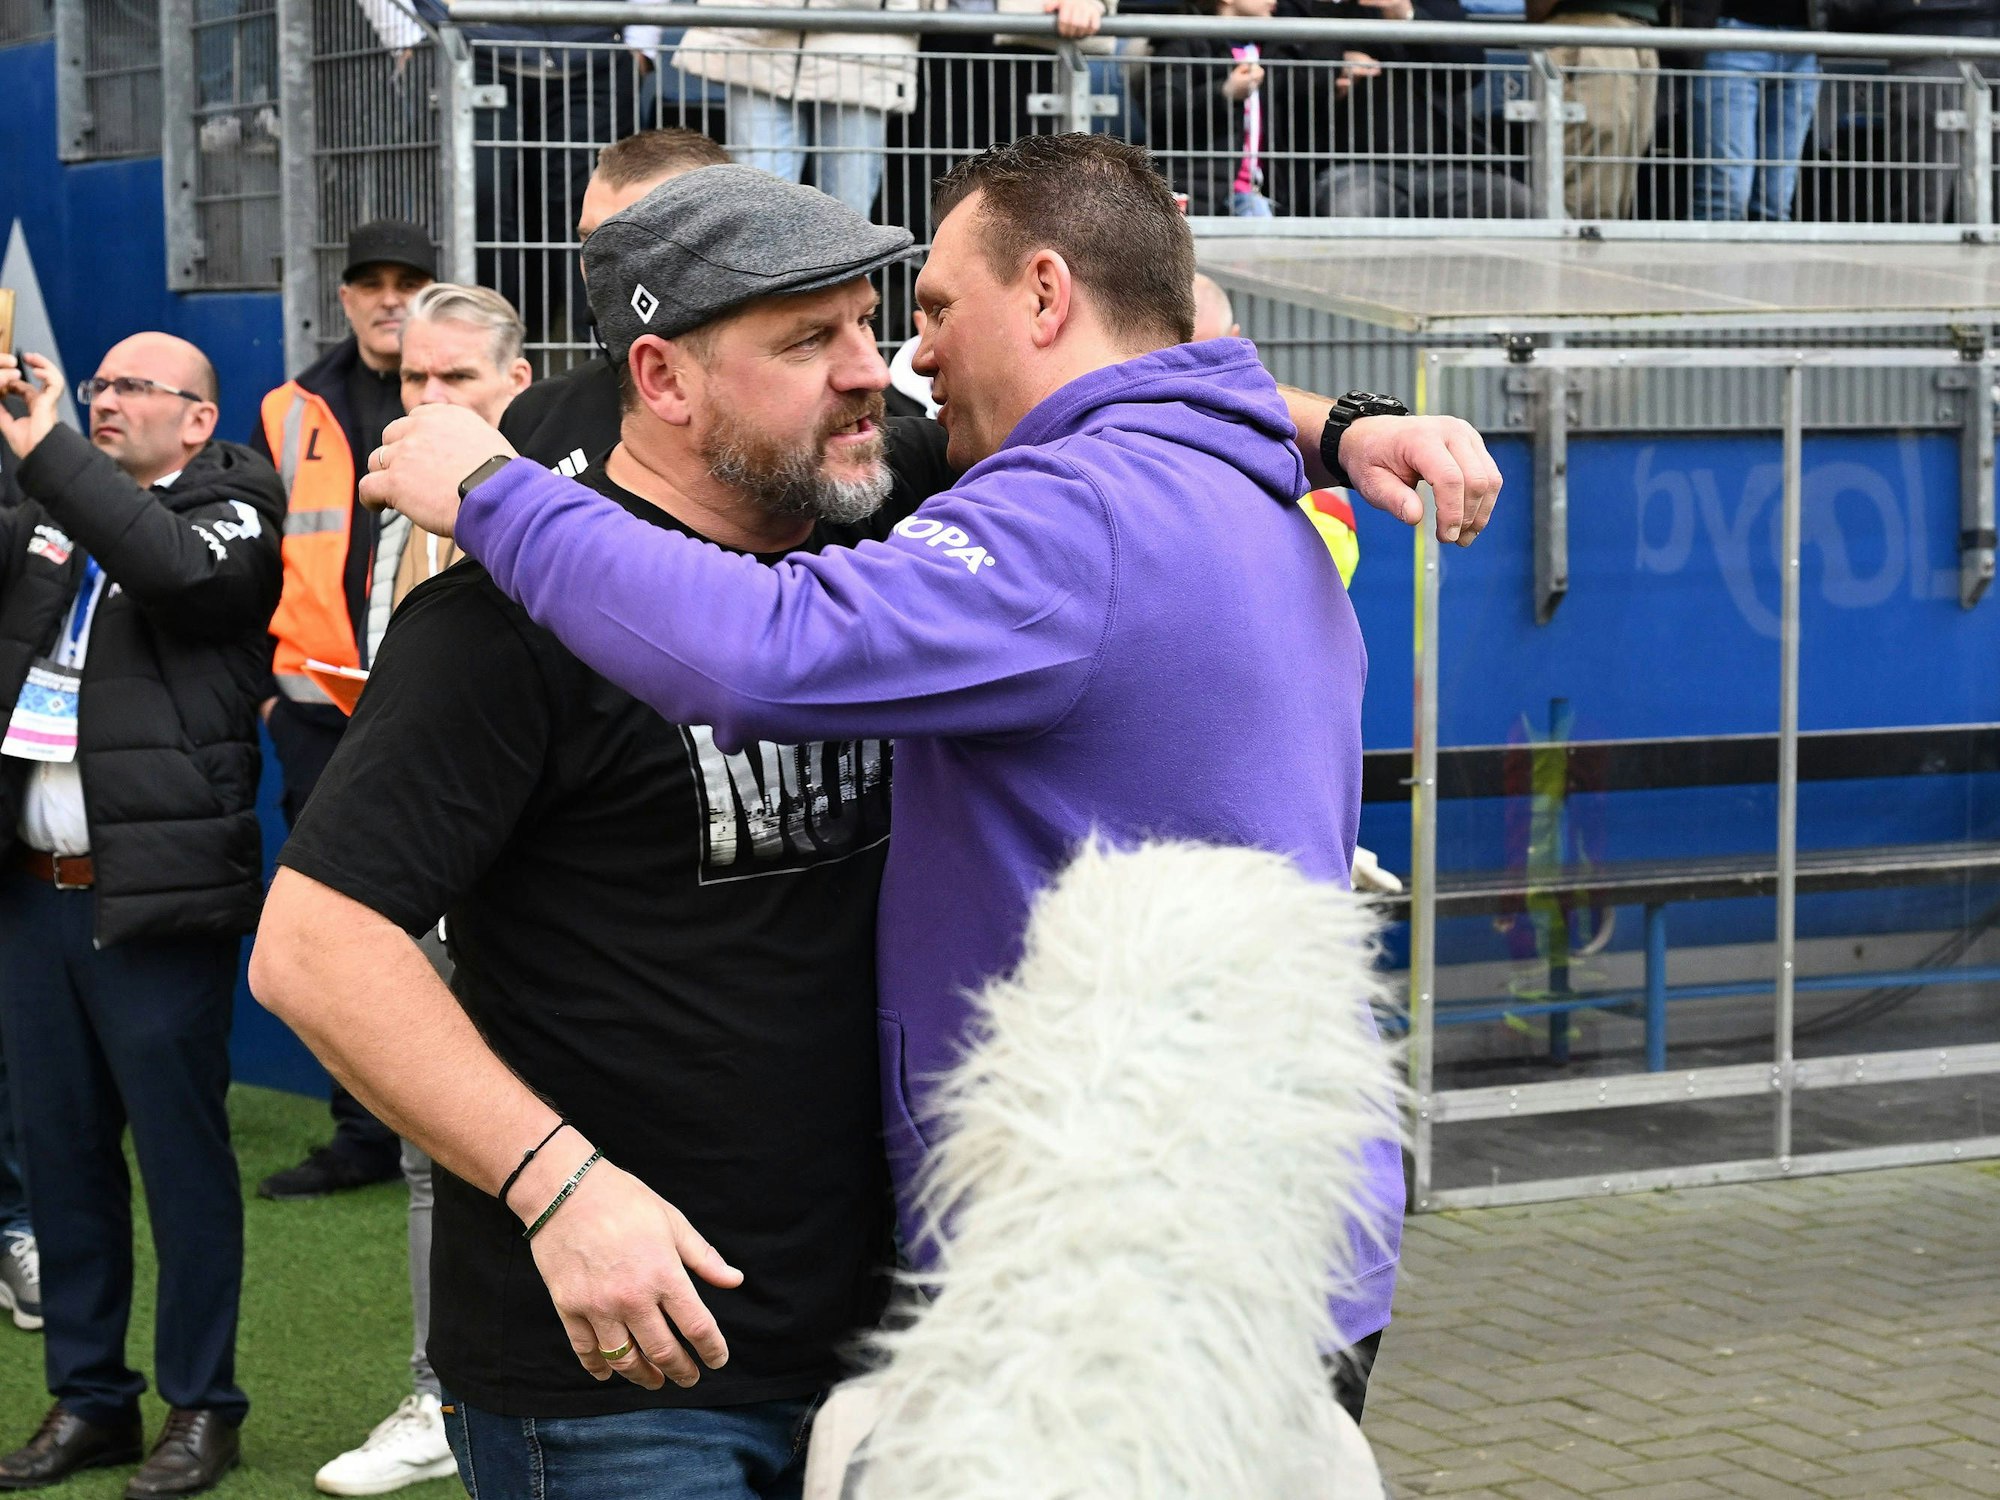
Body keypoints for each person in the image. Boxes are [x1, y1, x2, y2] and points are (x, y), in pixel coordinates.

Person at [356, 135, 1504, 1424]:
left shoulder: (1070, 518)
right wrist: (1338, 421)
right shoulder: (1205, 468)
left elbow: (768, 650)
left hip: (1137, 1274)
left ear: (1048, 295)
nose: (909, 363)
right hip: (1244, 1232)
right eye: (823, 339)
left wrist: (498, 499)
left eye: (929, 314)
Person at [250, 168, 937, 1500]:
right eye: (808, 340)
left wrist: (1338, 432)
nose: (869, 372)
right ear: (665, 381)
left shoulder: (886, 488)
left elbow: (1128, 387)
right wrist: (560, 1189)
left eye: (869, 323)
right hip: (626, 1377)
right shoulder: (503, 622)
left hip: (893, 1347)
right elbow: (314, 948)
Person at [0, 335, 282, 1496]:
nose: (106, 401)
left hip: (158, 903)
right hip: (34, 896)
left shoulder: (238, 506)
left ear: (198, 419)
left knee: (181, 1163)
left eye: (131, 390)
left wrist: (50, 454)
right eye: (98, 386)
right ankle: (90, 1400)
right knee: (60, 1161)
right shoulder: (54, 506)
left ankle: (202, 1405)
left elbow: (171, 571)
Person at [309, 282, 529, 1499]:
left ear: (516, 380)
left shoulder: (567, 508)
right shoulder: (397, 508)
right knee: (423, 1154)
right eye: (412, 381)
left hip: (541, 906)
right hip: (431, 898)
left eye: (457, 379)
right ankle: (438, 1390)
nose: (430, 400)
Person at [251, 219, 435, 1203]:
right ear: (346, 295)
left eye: (409, 280)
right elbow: (256, 559)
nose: (388, 298)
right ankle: (361, 1133)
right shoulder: (289, 408)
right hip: (320, 713)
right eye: (371, 282)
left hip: (438, 704)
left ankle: (456, 1126)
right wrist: (275, 708)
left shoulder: (460, 395)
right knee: (330, 932)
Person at [501, 127, 733, 478]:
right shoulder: (539, 414)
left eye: (633, 240)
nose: (600, 266)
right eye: (590, 241)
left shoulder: (782, 410)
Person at [672, 0, 935, 218]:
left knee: (848, 214)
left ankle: (841, 280)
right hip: (758, 31)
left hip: (865, 37)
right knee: (759, 206)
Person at [1293, 0, 1535, 219]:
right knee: (1349, 208)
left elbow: (1469, 68)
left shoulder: (1432, 6)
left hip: (1446, 166)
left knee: (1523, 204)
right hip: (1358, 169)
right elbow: (1295, 75)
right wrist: (1336, 63)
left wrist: (1407, 15)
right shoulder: (1323, 7)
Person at [1688, 0, 1823, 222]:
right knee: (1726, 196)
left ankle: (1767, 257)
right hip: (1731, 35)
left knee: (1775, 203)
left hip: (1804, 42)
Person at [1147, 0, 1283, 216]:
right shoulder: (1183, 38)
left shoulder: (1274, 46)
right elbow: (1162, 108)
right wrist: (1224, 92)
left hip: (1266, 193)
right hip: (1201, 193)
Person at [1529, 0, 1661, 219]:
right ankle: (1575, 249)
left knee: (1620, 169)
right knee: (1591, 183)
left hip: (1638, 31)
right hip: (1590, 27)